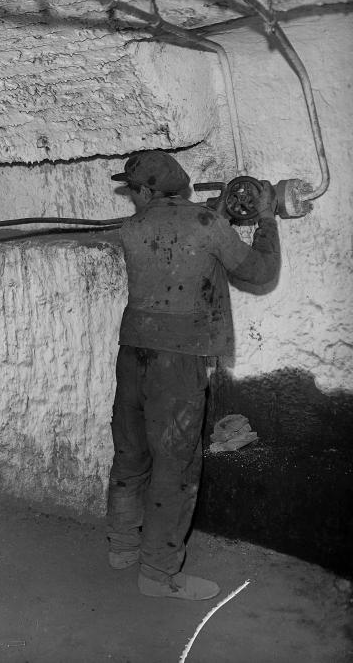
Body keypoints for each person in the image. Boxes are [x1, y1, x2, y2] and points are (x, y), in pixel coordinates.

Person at [107, 150, 280, 600]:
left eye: (133, 189)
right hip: (177, 364)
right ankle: (158, 575)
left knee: (130, 453)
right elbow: (260, 270)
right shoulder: (205, 224)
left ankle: (122, 550)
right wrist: (266, 219)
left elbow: (173, 242)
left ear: (147, 191)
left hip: (132, 355)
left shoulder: (131, 228)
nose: (131, 197)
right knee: (175, 466)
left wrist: (215, 214)